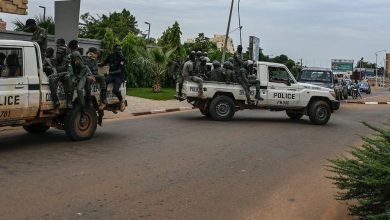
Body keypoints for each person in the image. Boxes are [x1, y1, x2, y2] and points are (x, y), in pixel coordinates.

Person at [99, 44, 126, 112]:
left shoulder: (122, 58)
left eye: (120, 50)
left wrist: (109, 73)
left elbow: (120, 70)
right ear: (114, 50)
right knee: (104, 82)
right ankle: (103, 101)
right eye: (118, 49)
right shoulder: (110, 56)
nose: (120, 51)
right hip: (111, 75)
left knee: (115, 90)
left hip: (119, 76)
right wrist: (95, 64)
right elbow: (103, 63)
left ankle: (121, 101)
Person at [49, 45, 73, 109]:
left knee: (68, 77)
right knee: (51, 78)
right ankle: (56, 101)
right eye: (57, 53)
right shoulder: (53, 60)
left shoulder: (67, 61)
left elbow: (70, 72)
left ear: (64, 54)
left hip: (64, 77)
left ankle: (69, 101)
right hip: (56, 76)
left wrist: (60, 74)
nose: (58, 55)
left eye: (60, 53)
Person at [68, 40, 88, 109]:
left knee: (79, 90)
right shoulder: (72, 54)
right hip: (76, 74)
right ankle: (69, 102)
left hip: (82, 74)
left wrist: (79, 77)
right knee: (71, 84)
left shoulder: (75, 54)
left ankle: (83, 109)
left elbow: (83, 68)